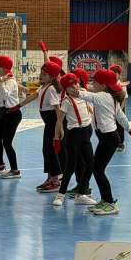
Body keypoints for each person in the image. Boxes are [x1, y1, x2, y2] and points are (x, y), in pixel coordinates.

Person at [79, 69, 131, 215]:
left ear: (103, 86)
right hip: (107, 138)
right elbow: (121, 116)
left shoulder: (102, 96)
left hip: (108, 139)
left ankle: (110, 203)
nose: (92, 84)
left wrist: (71, 87)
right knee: (97, 169)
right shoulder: (109, 96)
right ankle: (105, 199)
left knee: (98, 170)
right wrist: (130, 130)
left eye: (95, 82)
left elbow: (83, 94)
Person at [12, 61, 63, 192]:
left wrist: (60, 127)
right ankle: (51, 177)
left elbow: (57, 109)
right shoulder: (44, 86)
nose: (41, 75)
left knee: (51, 151)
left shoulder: (51, 89)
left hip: (53, 122)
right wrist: (19, 105)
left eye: (44, 74)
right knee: (46, 150)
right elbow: (33, 96)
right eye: (41, 72)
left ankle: (56, 181)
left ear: (52, 77)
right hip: (49, 123)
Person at [52, 73, 97, 207]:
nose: (74, 87)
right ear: (66, 89)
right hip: (74, 135)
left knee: (90, 163)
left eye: (75, 84)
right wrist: (56, 137)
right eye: (70, 86)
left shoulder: (84, 96)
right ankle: (61, 194)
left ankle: (81, 194)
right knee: (70, 166)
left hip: (85, 133)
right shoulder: (66, 101)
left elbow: (93, 104)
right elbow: (59, 121)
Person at [0, 55, 23, 178]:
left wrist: (1, 83)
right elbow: (1, 101)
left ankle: (15, 170)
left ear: (2, 68)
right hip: (5, 112)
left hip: (13, 114)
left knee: (7, 142)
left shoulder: (9, 81)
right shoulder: (5, 79)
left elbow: (4, 96)